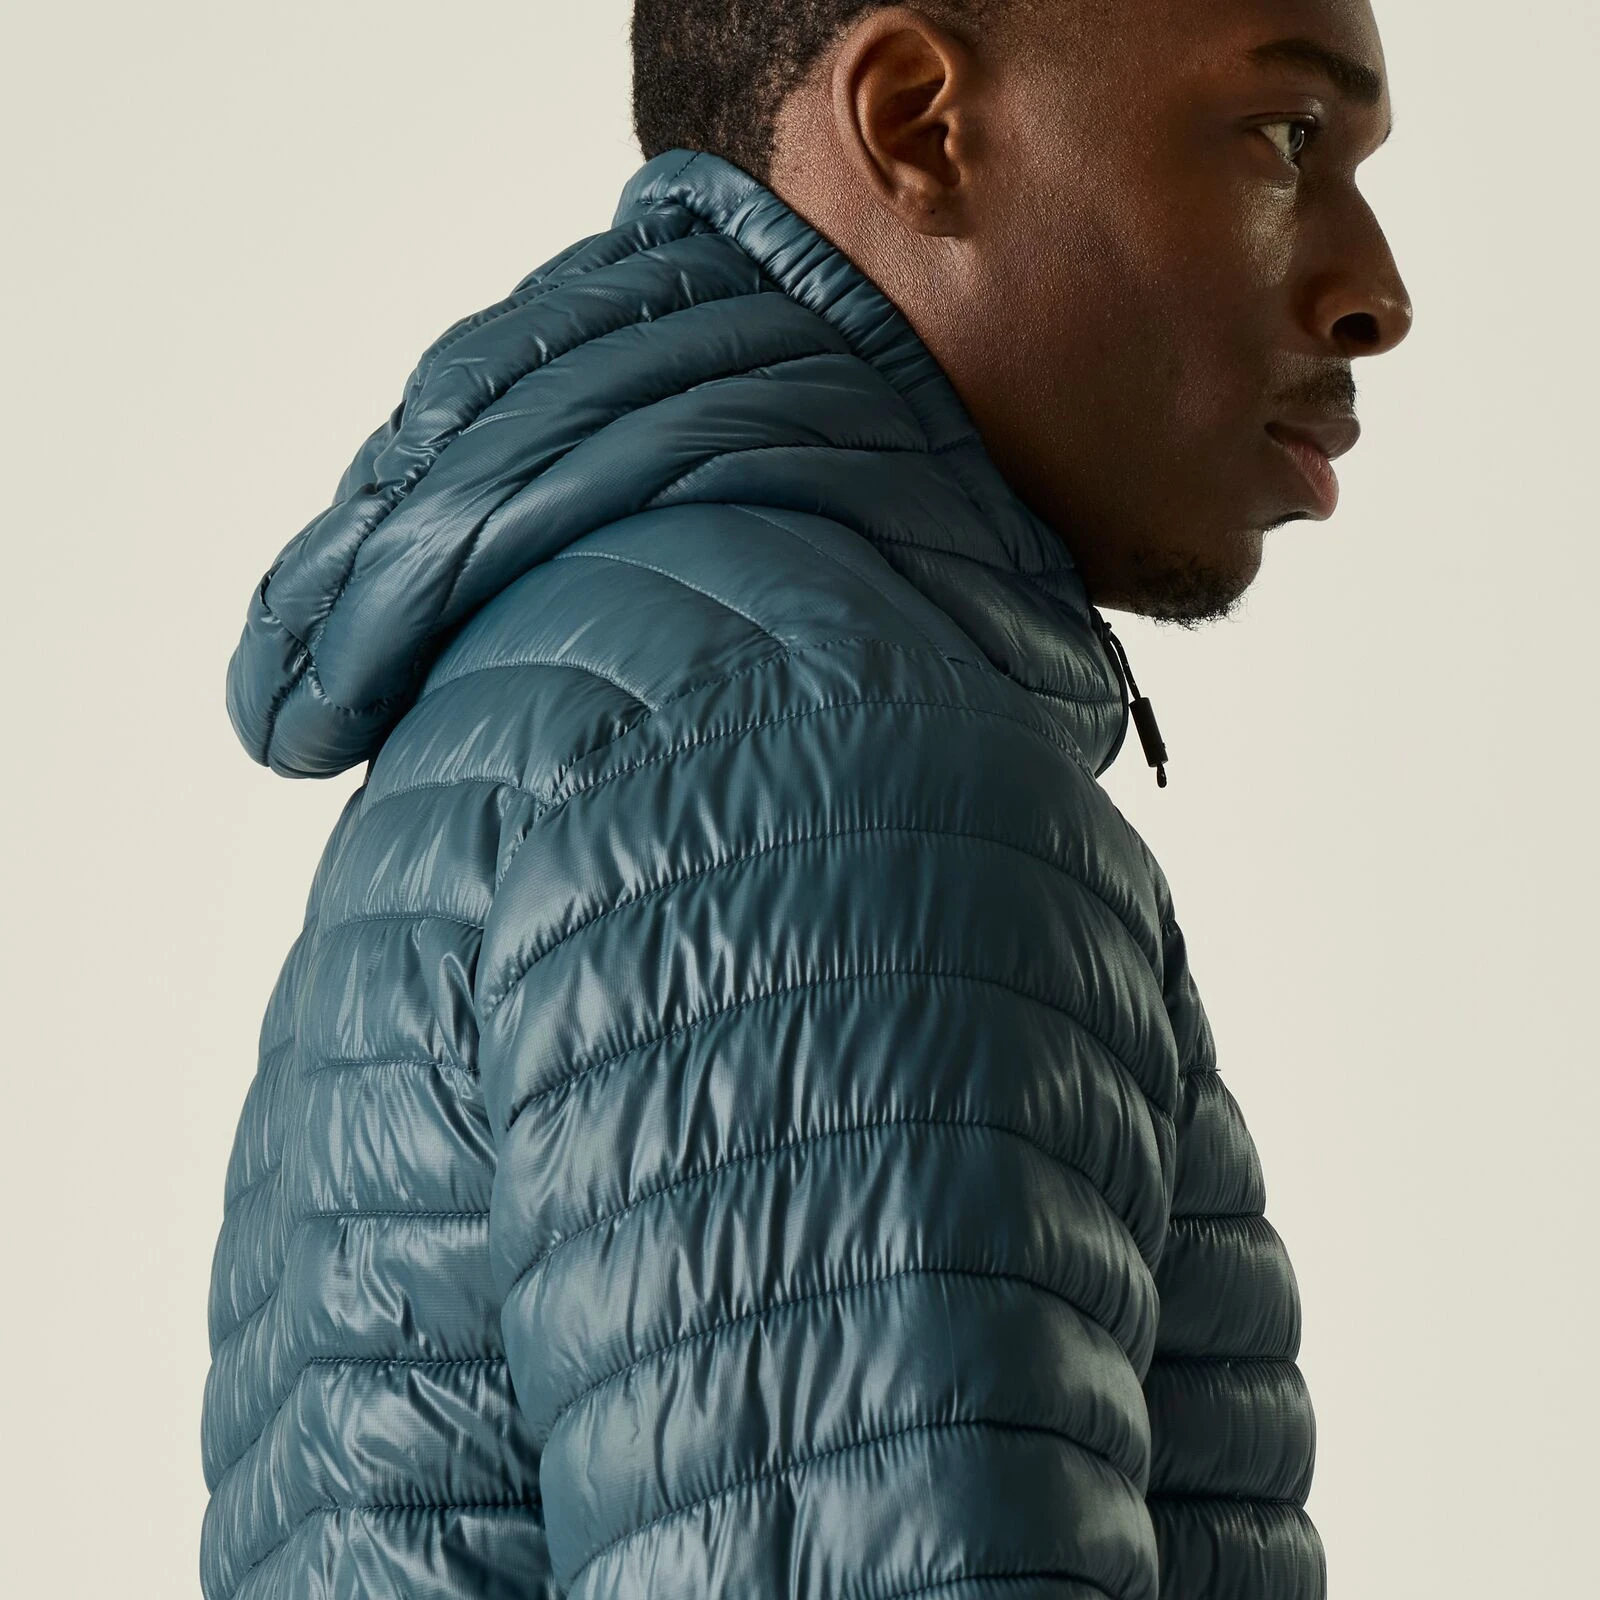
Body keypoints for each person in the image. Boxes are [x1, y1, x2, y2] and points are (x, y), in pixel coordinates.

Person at [198, 0, 1411, 1595]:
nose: (1378, 293)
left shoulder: (635, 675)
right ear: (920, 124)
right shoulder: (822, 764)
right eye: (1288, 138)